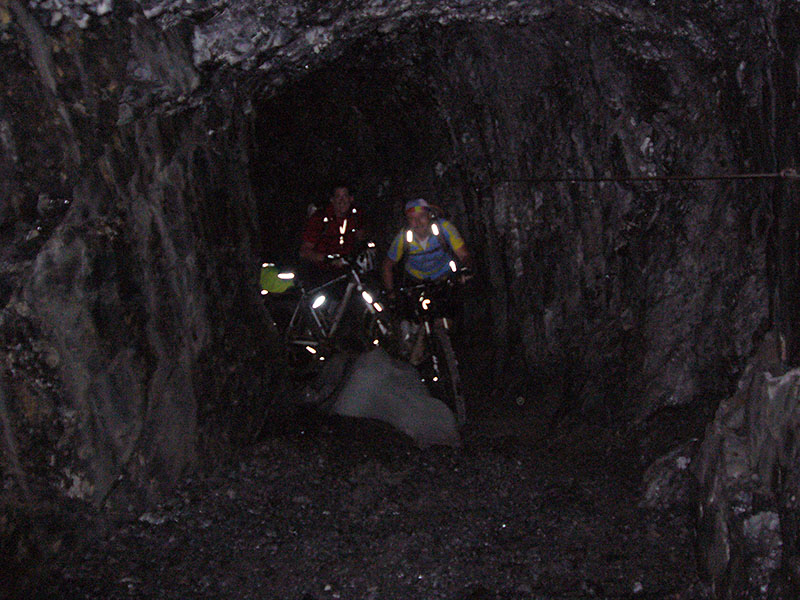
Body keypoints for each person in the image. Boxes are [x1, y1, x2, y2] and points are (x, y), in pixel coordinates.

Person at [381, 198, 471, 294]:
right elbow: (387, 265)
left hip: (446, 276)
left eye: (422, 216)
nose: (418, 222)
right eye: (412, 218)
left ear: (429, 216)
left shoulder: (444, 228)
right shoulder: (403, 237)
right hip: (417, 282)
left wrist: (466, 271)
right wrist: (391, 294)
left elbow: (464, 255)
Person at [300, 185, 366, 273]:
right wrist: (328, 259)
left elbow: (363, 238)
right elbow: (305, 251)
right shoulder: (319, 219)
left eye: (345, 196)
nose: (342, 201)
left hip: (349, 269)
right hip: (321, 271)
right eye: (338, 197)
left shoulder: (356, 217)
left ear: (351, 199)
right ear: (332, 200)